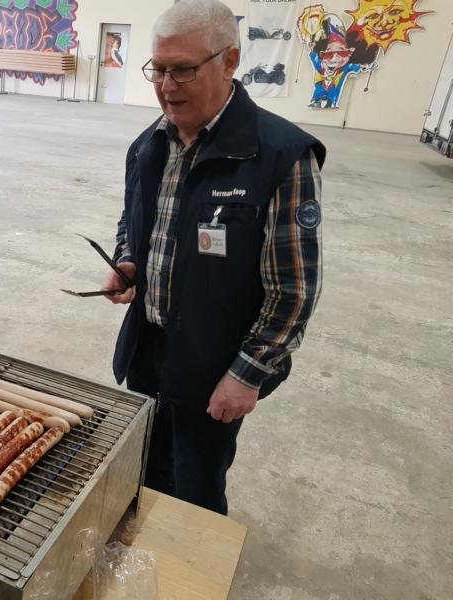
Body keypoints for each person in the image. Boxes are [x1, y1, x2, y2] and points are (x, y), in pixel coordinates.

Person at [102, 0, 326, 516]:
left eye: (183, 70)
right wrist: (128, 260)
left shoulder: (281, 156)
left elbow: (295, 288)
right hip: (148, 351)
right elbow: (133, 221)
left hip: (216, 365)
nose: (167, 86)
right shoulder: (149, 145)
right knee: (146, 471)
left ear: (230, 61)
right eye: (159, 69)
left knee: (196, 489)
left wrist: (247, 374)